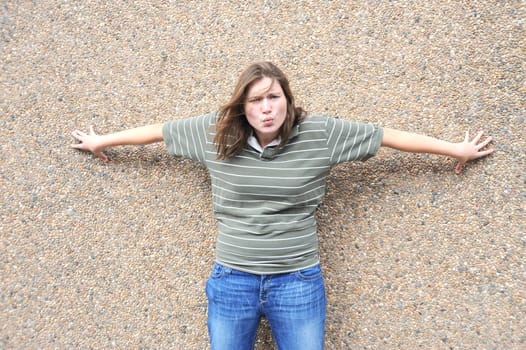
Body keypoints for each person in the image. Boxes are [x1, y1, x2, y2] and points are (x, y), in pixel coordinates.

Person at [71, 61, 494, 349]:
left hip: (298, 282)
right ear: (243, 106)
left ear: (287, 98)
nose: (266, 108)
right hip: (232, 280)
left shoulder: (319, 134)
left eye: (273, 97)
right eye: (256, 101)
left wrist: (454, 149)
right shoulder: (214, 134)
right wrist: (100, 141)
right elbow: (156, 133)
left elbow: (388, 136)